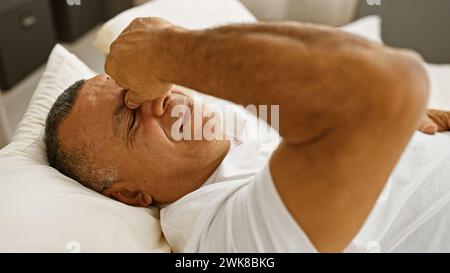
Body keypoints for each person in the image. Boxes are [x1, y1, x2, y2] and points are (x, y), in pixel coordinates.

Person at [45, 18, 446, 252]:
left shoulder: (242, 147)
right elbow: (391, 80)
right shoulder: (225, 237)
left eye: (140, 85)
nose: (160, 95)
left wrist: (390, 131)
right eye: (131, 117)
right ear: (131, 196)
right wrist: (161, 51)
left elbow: (373, 87)